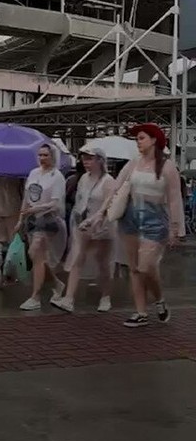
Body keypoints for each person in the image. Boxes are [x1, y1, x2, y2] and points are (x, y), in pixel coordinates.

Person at [86, 123, 184, 328]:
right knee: (134, 269)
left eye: (141, 138)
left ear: (154, 140)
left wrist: (176, 229)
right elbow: (114, 190)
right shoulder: (132, 164)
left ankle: (159, 300)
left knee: (146, 266)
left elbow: (175, 199)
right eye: (137, 139)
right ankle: (140, 312)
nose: (138, 142)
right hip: (130, 218)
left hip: (155, 221)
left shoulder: (167, 166)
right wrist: (99, 214)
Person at [53, 148, 116, 313]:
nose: (86, 162)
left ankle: (105, 297)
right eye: (84, 159)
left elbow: (109, 205)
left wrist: (96, 218)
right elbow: (79, 202)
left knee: (102, 263)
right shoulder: (83, 179)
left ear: (100, 160)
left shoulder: (108, 181)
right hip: (83, 225)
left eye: (90, 159)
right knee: (77, 259)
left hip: (102, 228)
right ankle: (68, 298)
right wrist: (77, 221)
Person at [17, 143, 68, 310]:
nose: (42, 158)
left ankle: (35, 296)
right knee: (37, 257)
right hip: (32, 219)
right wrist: (21, 218)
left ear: (53, 156)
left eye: (45, 155)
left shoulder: (57, 176)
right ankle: (56, 283)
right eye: (40, 155)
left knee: (36, 252)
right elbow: (26, 198)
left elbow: (55, 203)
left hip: (49, 219)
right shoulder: (33, 173)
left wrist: (36, 209)